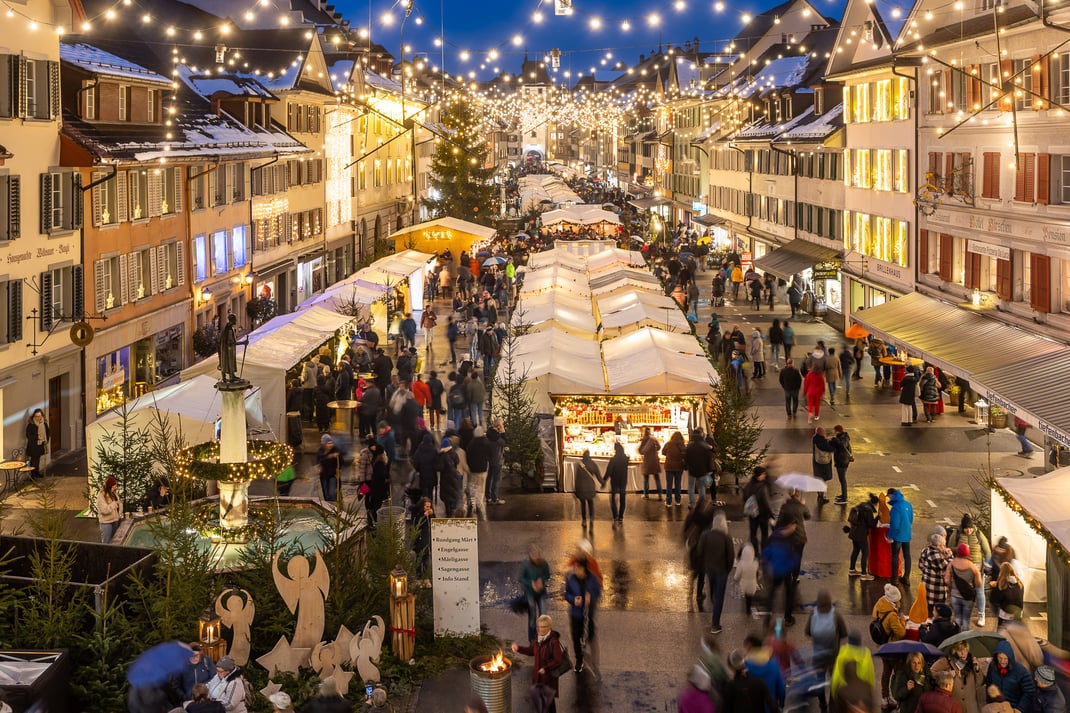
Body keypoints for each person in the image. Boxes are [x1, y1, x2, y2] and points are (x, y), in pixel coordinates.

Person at [511, 614, 564, 713]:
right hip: (538, 678)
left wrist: (546, 668)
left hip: (548, 679)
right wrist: (519, 649)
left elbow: (558, 660)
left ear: (549, 627)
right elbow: (531, 651)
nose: (541, 629)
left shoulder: (553, 642)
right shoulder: (538, 639)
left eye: (544, 627)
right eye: (539, 627)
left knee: (549, 703)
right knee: (544, 703)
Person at [806, 589, 848, 705]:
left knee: (820, 679)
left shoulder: (813, 614)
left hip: (818, 655)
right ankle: (832, 702)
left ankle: (822, 703)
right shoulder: (836, 615)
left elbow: (808, 632)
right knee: (834, 680)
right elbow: (844, 633)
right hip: (833, 654)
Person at [697, 510, 734, 634]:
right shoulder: (726, 538)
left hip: (709, 570)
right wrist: (727, 570)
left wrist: (705, 565)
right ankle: (715, 624)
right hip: (722, 571)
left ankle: (712, 601)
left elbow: (700, 552)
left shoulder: (705, 535)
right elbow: (730, 557)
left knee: (712, 590)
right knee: (720, 597)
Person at [564, 558, 601, 674]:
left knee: (590, 635)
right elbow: (566, 594)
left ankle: (593, 660)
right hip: (575, 614)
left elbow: (598, 591)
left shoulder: (592, 579)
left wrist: (591, 598)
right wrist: (573, 600)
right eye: (576, 568)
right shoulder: (571, 579)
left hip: (588, 614)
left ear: (584, 569)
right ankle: (579, 659)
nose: (577, 571)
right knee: (576, 637)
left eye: (579, 568)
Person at [952, 515, 991, 626]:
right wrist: (960, 550)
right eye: (966, 528)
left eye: (970, 528)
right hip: (962, 568)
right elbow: (950, 547)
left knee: (979, 591)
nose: (968, 530)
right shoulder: (957, 533)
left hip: (977, 568)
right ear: (962, 527)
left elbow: (987, 551)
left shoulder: (979, 534)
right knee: (961, 592)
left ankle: (981, 615)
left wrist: (987, 569)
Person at [930, 639, 987, 713]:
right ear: (955, 651)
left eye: (965, 650)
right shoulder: (946, 661)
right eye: (960, 650)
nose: (963, 653)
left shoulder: (972, 662)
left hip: (971, 709)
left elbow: (980, 683)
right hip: (953, 708)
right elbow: (931, 672)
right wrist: (947, 675)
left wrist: (977, 669)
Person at [874, 584, 908, 707]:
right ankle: (897, 698)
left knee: (886, 672)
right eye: (899, 600)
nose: (900, 602)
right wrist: (902, 620)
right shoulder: (892, 616)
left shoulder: (880, 604)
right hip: (892, 648)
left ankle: (884, 698)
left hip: (881, 646)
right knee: (898, 673)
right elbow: (901, 633)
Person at [984, 641, 1035, 713]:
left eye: (1005, 658)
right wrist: (989, 703)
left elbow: (1030, 691)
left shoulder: (1020, 671)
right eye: (1000, 658)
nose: (1002, 661)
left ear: (1010, 657)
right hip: (998, 708)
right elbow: (989, 685)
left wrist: (1020, 708)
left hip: (1014, 708)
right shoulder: (992, 667)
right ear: (996, 656)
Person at [725, 649, 780, 713]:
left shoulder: (730, 687)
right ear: (744, 662)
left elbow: (725, 710)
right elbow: (773, 707)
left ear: (731, 667)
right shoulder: (759, 682)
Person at [743, 633, 786, 711]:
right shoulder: (773, 664)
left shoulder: (745, 668)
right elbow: (781, 689)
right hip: (771, 707)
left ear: (749, 647)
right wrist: (781, 705)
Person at [520, 545, 552, 643]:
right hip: (530, 593)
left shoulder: (544, 564)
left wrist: (541, 580)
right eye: (534, 556)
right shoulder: (525, 565)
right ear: (530, 556)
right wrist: (531, 583)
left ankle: (544, 637)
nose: (536, 558)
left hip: (541, 593)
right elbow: (521, 578)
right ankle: (532, 640)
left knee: (543, 615)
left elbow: (547, 574)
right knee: (532, 617)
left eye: (538, 555)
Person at [947, 543, 982, 632]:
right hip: (968, 597)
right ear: (968, 553)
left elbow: (946, 580)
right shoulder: (973, 567)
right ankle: (965, 641)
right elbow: (979, 584)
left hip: (954, 596)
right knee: (966, 620)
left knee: (957, 618)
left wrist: (953, 584)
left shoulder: (951, 564)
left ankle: (957, 640)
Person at [920, 531, 954, 615]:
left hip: (926, 584)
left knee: (928, 609)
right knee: (936, 612)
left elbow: (921, 565)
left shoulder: (925, 550)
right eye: (944, 545)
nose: (945, 547)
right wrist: (950, 556)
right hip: (936, 588)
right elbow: (949, 568)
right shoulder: (937, 555)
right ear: (938, 545)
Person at [846, 493, 878, 580]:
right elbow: (871, 524)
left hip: (854, 532)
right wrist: (878, 517)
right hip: (861, 534)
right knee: (865, 553)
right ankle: (864, 574)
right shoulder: (868, 510)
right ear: (875, 503)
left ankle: (852, 570)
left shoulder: (861, 505)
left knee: (855, 550)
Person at [743, 466, 775, 553]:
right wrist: (771, 515)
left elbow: (745, 497)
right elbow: (766, 503)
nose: (764, 476)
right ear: (759, 475)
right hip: (763, 515)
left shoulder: (748, 485)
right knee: (764, 534)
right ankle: (764, 553)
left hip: (752, 514)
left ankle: (755, 552)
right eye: (763, 474)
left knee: (753, 534)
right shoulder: (763, 487)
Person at [889, 488, 915, 584]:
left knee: (895, 556)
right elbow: (911, 519)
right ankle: (906, 577)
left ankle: (895, 578)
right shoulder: (908, 504)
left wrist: (890, 536)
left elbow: (894, 524)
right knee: (907, 555)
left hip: (897, 536)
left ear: (892, 495)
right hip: (907, 534)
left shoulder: (896, 507)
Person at [574, 450, 605, 527]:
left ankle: (584, 520)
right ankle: (591, 519)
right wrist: (602, 483)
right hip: (590, 487)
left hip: (582, 488)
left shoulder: (580, 465)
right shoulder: (593, 464)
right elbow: (598, 475)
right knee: (590, 503)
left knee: (583, 504)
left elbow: (577, 478)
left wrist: (576, 489)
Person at [988, 562, 1024, 628]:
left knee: (994, 602)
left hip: (1006, 613)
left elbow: (994, 600)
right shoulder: (1020, 583)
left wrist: (994, 588)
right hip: (1019, 612)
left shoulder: (1001, 585)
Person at [685, 429, 714, 508]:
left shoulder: (690, 445)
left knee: (691, 487)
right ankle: (701, 504)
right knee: (701, 488)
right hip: (702, 470)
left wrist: (687, 466)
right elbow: (708, 458)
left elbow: (686, 458)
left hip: (692, 470)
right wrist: (709, 470)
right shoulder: (704, 445)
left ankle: (692, 504)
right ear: (701, 435)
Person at [605, 441, 630, 524]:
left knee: (613, 498)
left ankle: (615, 516)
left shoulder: (613, 460)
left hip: (614, 481)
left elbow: (609, 471)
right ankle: (621, 517)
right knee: (622, 499)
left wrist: (604, 480)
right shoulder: (626, 459)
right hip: (623, 480)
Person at [410, 497, 435, 576]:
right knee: (419, 560)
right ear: (422, 506)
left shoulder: (430, 513)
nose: (428, 508)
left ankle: (426, 578)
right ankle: (418, 577)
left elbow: (434, 523)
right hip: (419, 540)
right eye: (427, 506)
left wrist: (432, 515)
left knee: (426, 560)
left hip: (427, 539)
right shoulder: (416, 513)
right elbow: (416, 524)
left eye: (429, 507)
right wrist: (424, 516)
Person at [662, 431, 687, 507]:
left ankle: (668, 502)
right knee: (678, 484)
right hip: (679, 467)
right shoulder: (682, 445)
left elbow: (663, 452)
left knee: (669, 485)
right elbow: (685, 454)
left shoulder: (668, 443)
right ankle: (678, 501)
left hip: (669, 466)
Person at [96, 476, 123, 544]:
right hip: (106, 523)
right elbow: (104, 510)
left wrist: (119, 514)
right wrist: (115, 504)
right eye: (113, 487)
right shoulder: (101, 495)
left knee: (115, 542)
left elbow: (118, 503)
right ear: (109, 487)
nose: (115, 488)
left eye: (115, 486)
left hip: (115, 521)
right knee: (106, 542)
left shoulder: (114, 493)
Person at [812, 427, 835, 505]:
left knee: (819, 479)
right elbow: (829, 448)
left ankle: (820, 496)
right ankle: (821, 497)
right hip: (822, 463)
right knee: (822, 480)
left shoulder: (815, 439)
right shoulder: (821, 441)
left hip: (817, 461)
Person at [638, 427, 663, 500]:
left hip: (647, 461)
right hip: (654, 460)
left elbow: (640, 451)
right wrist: (654, 450)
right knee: (657, 478)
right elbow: (659, 447)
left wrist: (644, 451)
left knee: (646, 479)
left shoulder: (643, 440)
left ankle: (646, 494)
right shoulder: (654, 439)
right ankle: (660, 494)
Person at [317, 435, 342, 503]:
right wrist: (329, 456)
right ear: (324, 444)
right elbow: (320, 461)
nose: (330, 445)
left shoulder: (336, 450)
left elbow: (341, 461)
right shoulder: (320, 451)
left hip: (332, 476)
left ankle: (333, 509)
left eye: (331, 443)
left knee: (331, 494)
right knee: (326, 495)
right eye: (328, 443)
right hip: (324, 476)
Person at [25, 408, 49, 479]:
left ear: (42, 416)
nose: (38, 418)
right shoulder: (31, 424)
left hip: (41, 444)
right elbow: (28, 435)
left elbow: (47, 432)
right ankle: (32, 475)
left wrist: (46, 440)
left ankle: (37, 472)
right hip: (33, 445)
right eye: (36, 416)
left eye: (39, 416)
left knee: (38, 458)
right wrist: (37, 437)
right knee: (33, 460)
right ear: (33, 416)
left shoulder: (44, 423)